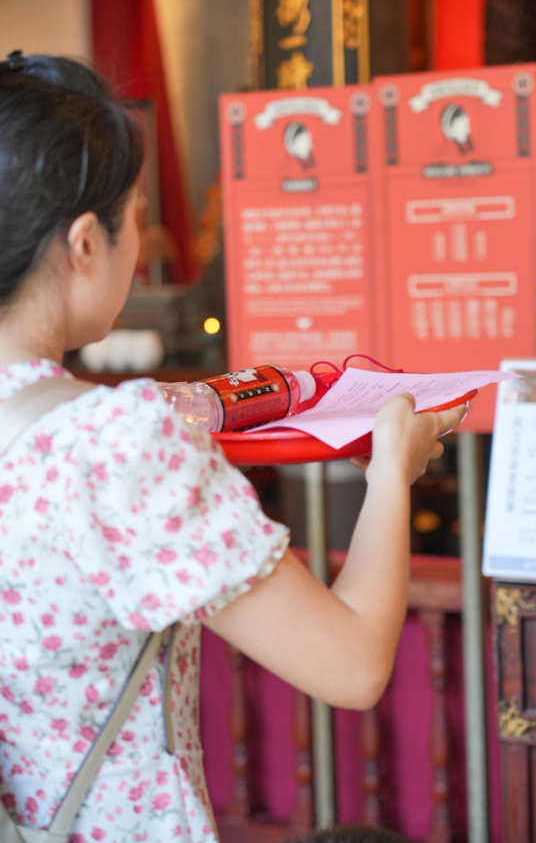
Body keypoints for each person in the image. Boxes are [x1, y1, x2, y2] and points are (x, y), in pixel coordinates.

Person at [0, 53, 464, 842]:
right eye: (137, 213)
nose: (140, 239)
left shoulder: (110, 433)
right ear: (83, 244)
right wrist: (394, 467)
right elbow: (351, 667)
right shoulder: (116, 442)